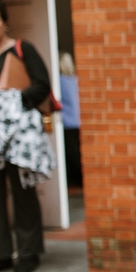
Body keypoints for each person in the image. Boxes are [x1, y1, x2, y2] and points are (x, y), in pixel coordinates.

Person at [0, 0, 55, 272]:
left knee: (22, 191)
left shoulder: (21, 49)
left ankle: (28, 253)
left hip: (19, 138)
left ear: (4, 23)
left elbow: (42, 85)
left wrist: (9, 102)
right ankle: (0, 254)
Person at [59, 52, 82, 187]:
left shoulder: (59, 80)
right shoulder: (75, 79)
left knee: (70, 153)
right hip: (78, 121)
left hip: (66, 122)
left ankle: (75, 179)